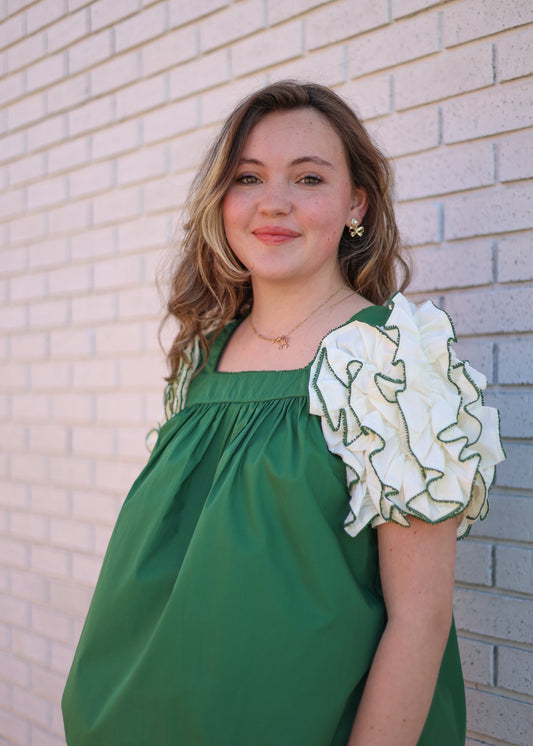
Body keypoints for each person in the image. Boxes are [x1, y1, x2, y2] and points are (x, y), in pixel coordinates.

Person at [62, 80, 505, 745]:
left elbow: (421, 619)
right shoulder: (200, 356)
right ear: (222, 200)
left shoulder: (387, 364)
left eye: (307, 178)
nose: (273, 203)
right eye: (248, 177)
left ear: (355, 202)